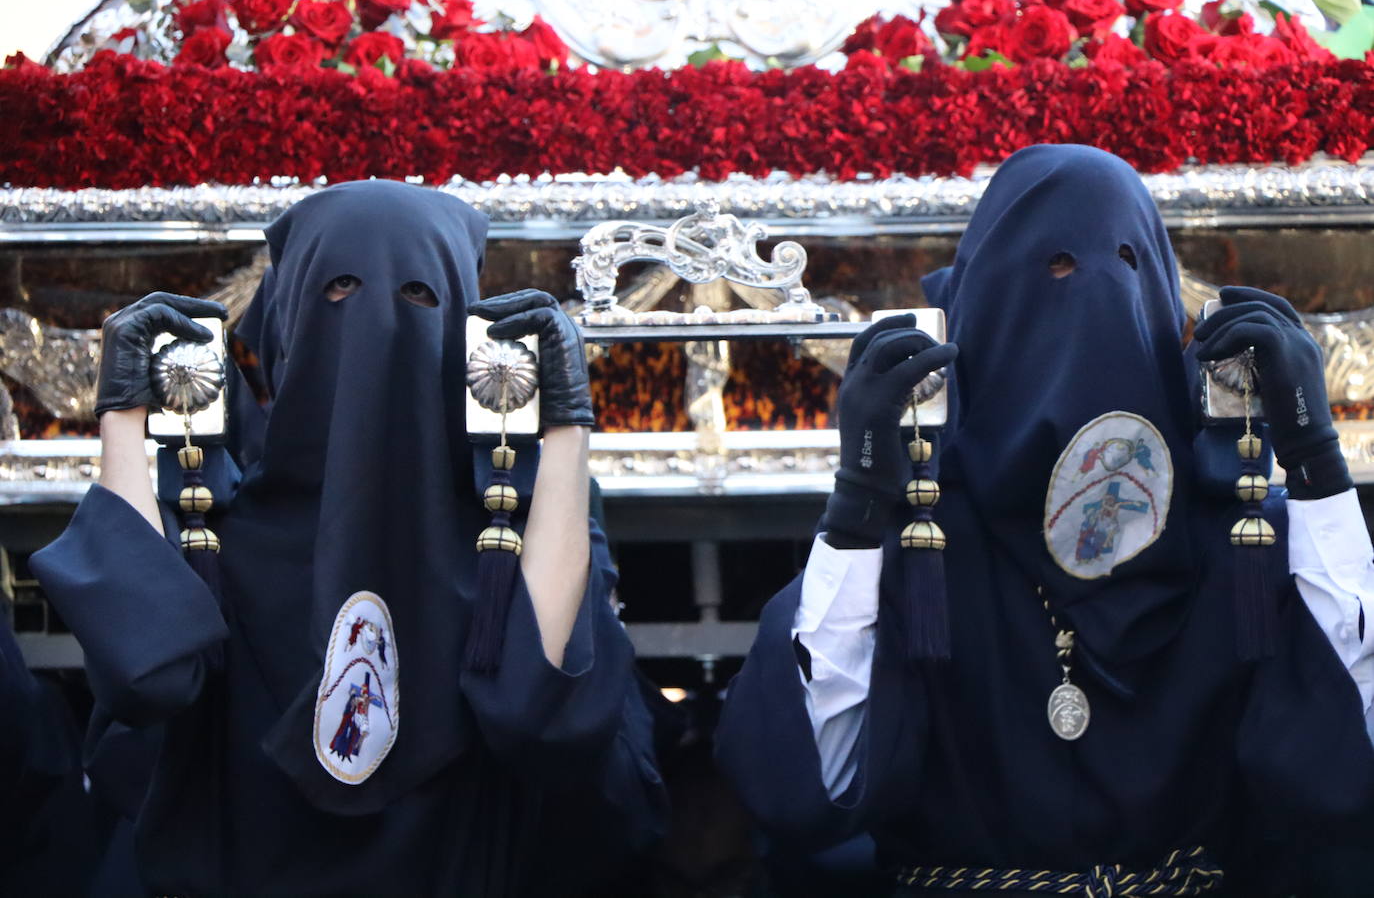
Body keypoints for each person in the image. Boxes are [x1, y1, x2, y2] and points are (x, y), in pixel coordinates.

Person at [715, 144, 1374, 895]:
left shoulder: (1242, 540)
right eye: (1055, 267)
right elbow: (808, 784)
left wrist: (1317, 464)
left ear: (1160, 301)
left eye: (1127, 262)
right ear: (987, 304)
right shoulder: (918, 543)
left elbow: (1350, 758)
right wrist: (857, 504)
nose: (1094, 295)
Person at [30, 180, 667, 895]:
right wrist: (120, 417)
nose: (377, 329)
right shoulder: (216, 522)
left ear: (464, 325)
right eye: (340, 289)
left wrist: (568, 424)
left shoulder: (512, 529)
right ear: (291, 316)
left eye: (419, 297)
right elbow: (146, 675)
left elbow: (545, 712)